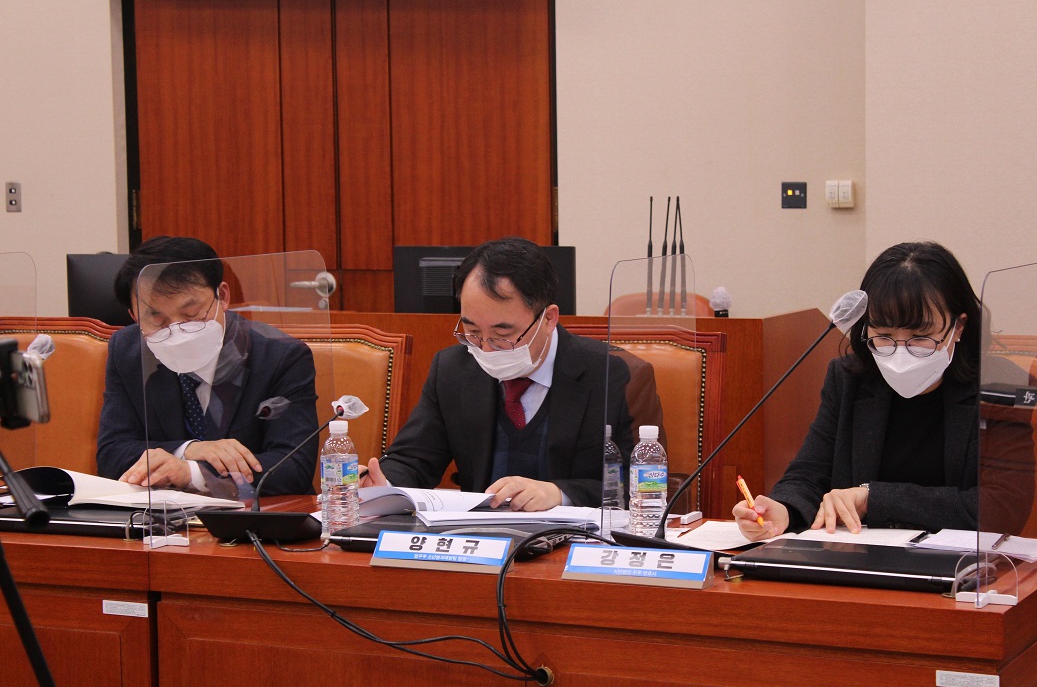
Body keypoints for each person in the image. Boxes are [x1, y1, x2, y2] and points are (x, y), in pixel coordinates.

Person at [735, 241, 1033, 539]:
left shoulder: (1000, 387)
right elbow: (809, 473)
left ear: (958, 327)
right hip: (861, 555)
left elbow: (1003, 507)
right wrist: (784, 510)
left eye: (920, 335)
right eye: (884, 335)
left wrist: (874, 499)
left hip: (961, 561)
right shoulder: (849, 379)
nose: (900, 351)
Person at [362, 237, 662, 510]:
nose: (486, 349)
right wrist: (381, 485)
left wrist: (560, 493)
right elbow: (413, 458)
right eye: (472, 331)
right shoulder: (454, 369)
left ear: (548, 319)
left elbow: (645, 485)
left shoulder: (615, 376)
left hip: (575, 542)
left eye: (503, 335)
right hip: (479, 538)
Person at [96, 236, 320, 496]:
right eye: (157, 319)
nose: (177, 330)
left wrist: (193, 473)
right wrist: (189, 449)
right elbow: (111, 454)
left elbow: (293, 467)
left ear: (222, 296)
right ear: (134, 316)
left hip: (253, 515)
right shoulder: (127, 350)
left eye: (192, 314)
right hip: (159, 515)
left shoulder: (281, 356)